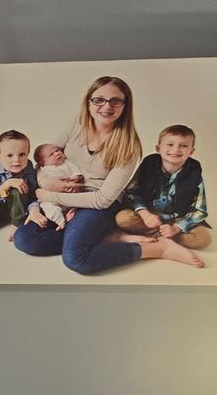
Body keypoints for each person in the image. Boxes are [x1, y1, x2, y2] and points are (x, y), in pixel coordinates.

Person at [11, 76, 201, 273]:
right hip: (63, 199)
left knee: (76, 259)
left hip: (97, 205)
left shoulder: (129, 145)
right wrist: (45, 183)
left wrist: (51, 196)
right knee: (25, 240)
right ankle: (107, 237)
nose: (106, 106)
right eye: (99, 99)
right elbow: (45, 158)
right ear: (89, 102)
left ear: (125, 106)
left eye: (115, 101)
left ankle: (157, 249)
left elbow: (103, 199)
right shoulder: (77, 124)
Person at [113, 124, 210, 258]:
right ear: (158, 149)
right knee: (123, 219)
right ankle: (159, 234)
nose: (175, 150)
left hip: (176, 219)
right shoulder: (149, 164)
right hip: (149, 217)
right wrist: (145, 214)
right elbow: (131, 191)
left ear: (191, 152)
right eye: (170, 144)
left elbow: (200, 210)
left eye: (183, 146)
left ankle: (163, 237)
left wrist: (176, 228)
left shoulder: (194, 171)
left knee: (203, 239)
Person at [24, 142, 84, 229]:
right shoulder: (43, 169)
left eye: (57, 150)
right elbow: (40, 183)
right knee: (47, 206)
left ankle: (72, 211)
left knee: (77, 199)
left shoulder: (67, 163)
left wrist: (75, 178)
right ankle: (60, 221)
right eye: (51, 154)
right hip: (51, 197)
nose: (56, 153)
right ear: (42, 163)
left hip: (70, 193)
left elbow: (76, 171)